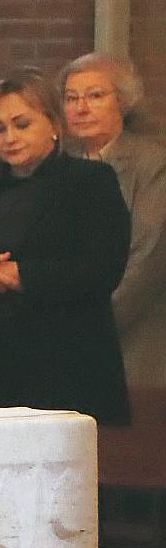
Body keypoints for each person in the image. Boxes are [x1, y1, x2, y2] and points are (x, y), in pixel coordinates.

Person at [0, 75, 130, 423]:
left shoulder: (90, 182)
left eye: (22, 124)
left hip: (60, 369)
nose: (10, 137)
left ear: (54, 125)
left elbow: (101, 269)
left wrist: (11, 275)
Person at [62, 54, 165, 388]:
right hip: (65, 341)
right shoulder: (61, 165)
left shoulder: (151, 164)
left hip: (133, 343)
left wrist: (88, 324)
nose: (81, 108)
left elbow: (146, 257)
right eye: (71, 98)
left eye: (95, 96)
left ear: (122, 101)